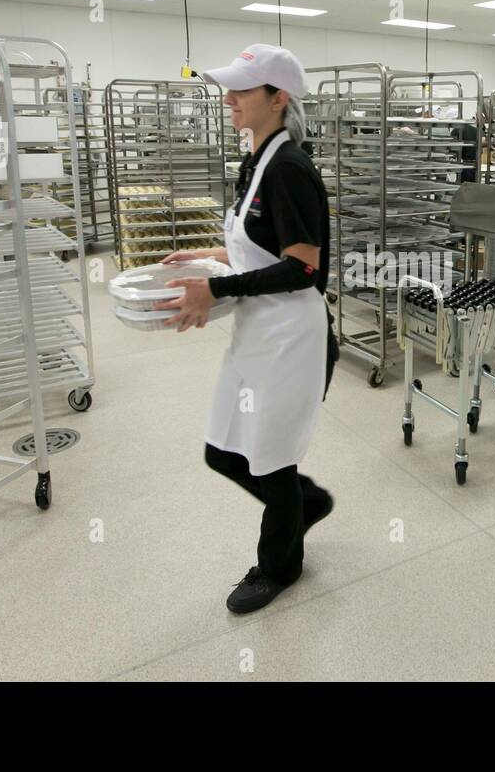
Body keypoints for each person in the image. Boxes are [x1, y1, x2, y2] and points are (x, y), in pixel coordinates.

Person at [159, 44, 336, 615]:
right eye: (228, 88)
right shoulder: (256, 161)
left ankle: (280, 566)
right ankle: (304, 504)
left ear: (277, 98)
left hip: (291, 339)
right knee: (224, 452)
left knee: (271, 460)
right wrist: (208, 256)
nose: (228, 98)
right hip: (257, 334)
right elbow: (261, 248)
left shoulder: (289, 170)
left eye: (241, 90)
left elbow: (304, 267)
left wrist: (216, 289)